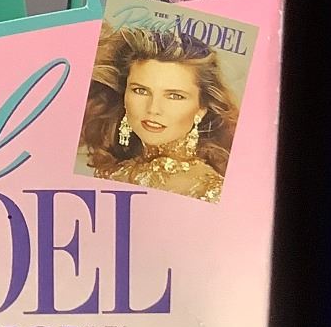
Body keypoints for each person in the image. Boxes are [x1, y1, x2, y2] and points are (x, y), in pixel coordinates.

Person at [78, 22, 239, 203]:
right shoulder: (110, 173)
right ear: (124, 95)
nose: (153, 109)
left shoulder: (213, 191)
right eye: (141, 91)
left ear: (202, 108)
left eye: (175, 96)